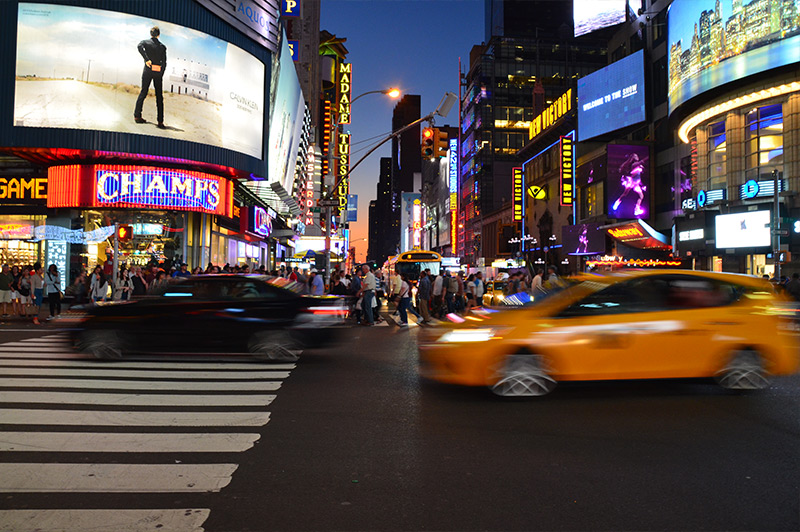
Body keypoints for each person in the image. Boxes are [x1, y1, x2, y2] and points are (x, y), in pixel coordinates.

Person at [134, 26, 168, 128]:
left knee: (143, 92)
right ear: (158, 34)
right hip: (158, 72)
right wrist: (161, 73)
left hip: (147, 70)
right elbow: (165, 63)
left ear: (150, 34)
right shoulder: (162, 47)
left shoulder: (145, 42)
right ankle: (160, 121)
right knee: (159, 96)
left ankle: (137, 116)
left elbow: (139, 46)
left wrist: (146, 59)